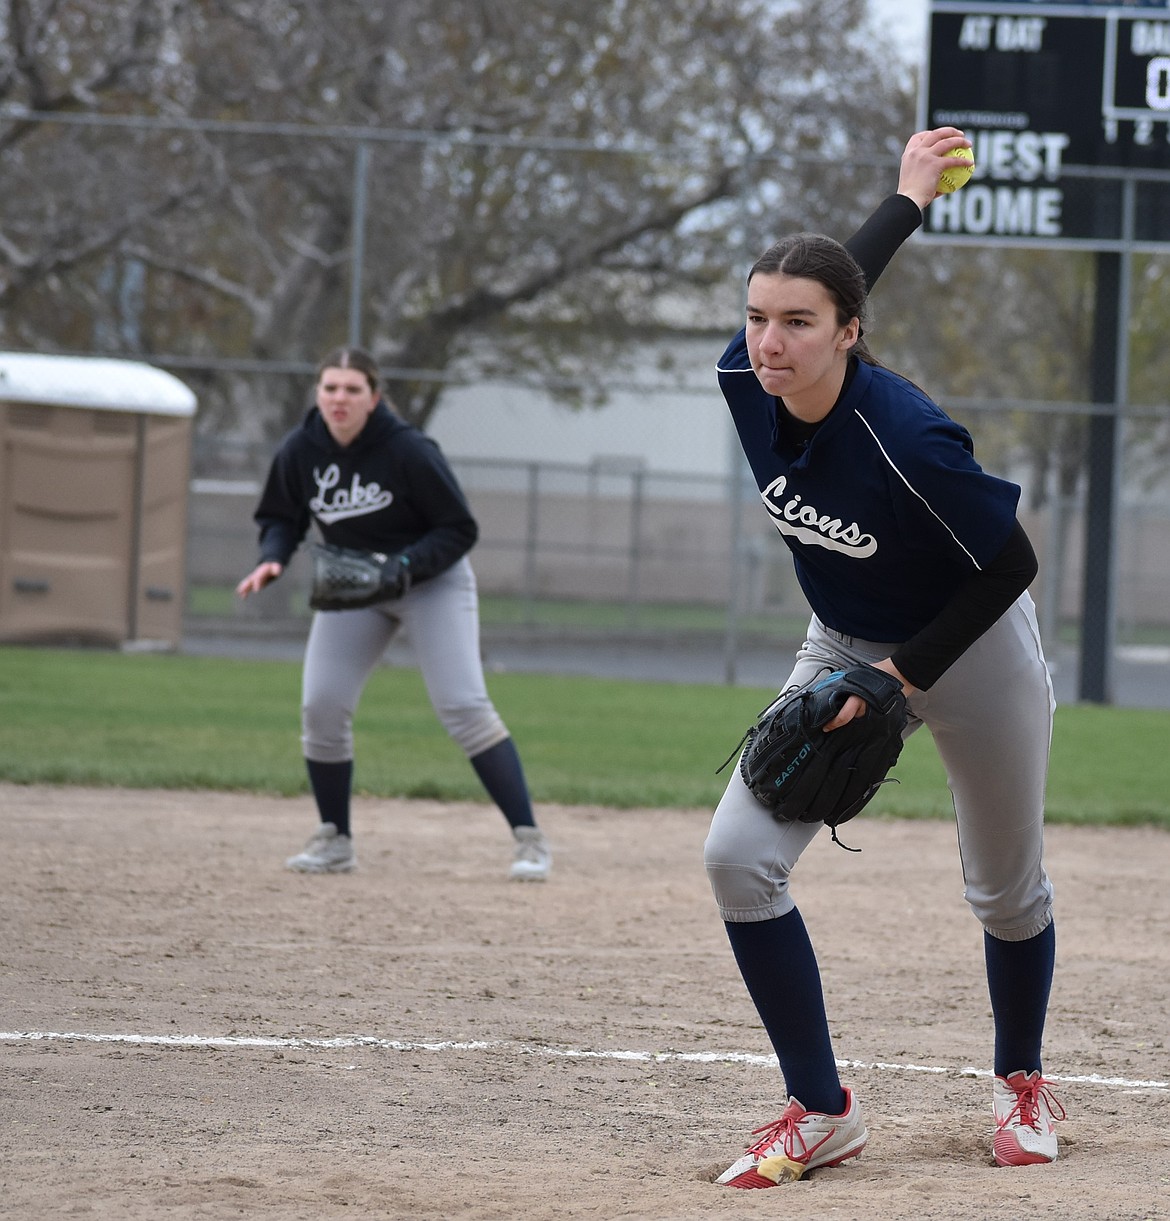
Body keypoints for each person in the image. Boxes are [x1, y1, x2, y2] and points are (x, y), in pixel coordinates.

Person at [704, 129, 1064, 1186]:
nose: (771, 342)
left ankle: (1023, 1083)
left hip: (973, 646)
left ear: (850, 335)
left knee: (1005, 891)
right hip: (839, 640)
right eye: (759, 317)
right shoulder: (745, 379)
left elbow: (1012, 566)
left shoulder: (908, 441)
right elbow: (825, 279)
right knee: (738, 858)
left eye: (798, 326)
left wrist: (897, 685)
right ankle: (821, 1110)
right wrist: (907, 199)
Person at [236, 348, 552, 882]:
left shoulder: (408, 450)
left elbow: (459, 529)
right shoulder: (301, 450)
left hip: (433, 583)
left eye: (352, 389)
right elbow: (280, 517)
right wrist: (272, 557)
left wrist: (402, 565)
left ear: (374, 397)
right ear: (318, 395)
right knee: (322, 706)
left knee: (463, 706)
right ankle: (334, 839)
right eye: (330, 387)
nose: (339, 398)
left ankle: (529, 840)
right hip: (355, 586)